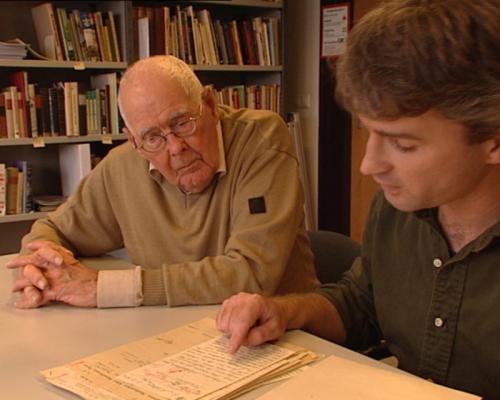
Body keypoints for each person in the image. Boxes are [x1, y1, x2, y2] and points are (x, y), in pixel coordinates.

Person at [216, 0, 500, 398]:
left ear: (493, 139)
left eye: (402, 144)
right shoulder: (397, 207)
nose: (369, 165)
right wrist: (283, 311)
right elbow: (360, 305)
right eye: (370, 133)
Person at [7, 55, 319, 309]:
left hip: (280, 336)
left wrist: (104, 288)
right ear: (133, 140)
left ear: (209, 105)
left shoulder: (261, 141)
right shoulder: (122, 166)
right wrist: (38, 270)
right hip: (176, 338)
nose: (175, 147)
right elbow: (53, 229)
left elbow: (251, 274)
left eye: (182, 123)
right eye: (153, 137)